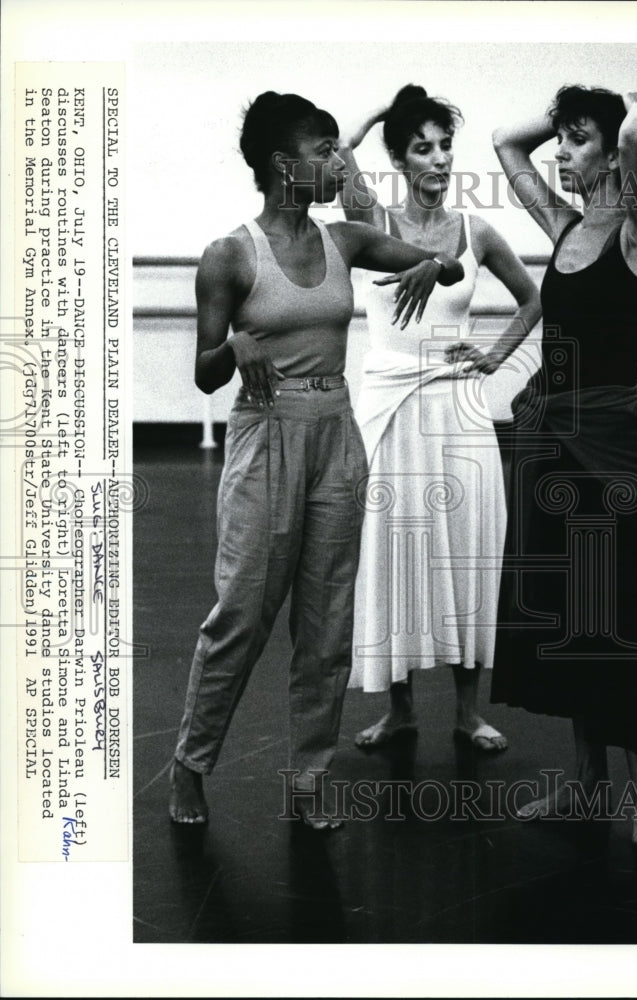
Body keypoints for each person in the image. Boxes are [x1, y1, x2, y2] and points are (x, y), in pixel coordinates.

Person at [169, 91, 465, 829]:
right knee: (240, 616)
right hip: (265, 437)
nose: (337, 162)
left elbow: (448, 264)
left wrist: (435, 267)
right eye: (323, 150)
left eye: (338, 148)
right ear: (282, 165)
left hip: (337, 434)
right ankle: (190, 764)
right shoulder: (229, 255)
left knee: (327, 625)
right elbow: (204, 372)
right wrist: (231, 348)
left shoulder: (348, 240)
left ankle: (308, 779)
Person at [490, 86, 637, 866]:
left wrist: (627, 111)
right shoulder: (562, 228)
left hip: (610, 446)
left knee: (630, 620)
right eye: (562, 140)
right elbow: (503, 143)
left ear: (614, 154)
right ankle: (584, 782)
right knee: (573, 620)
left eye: (575, 142)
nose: (560, 153)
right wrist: (570, 102)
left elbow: (633, 149)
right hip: (549, 440)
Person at [339, 85, 541, 751]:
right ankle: (398, 710)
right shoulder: (374, 225)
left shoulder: (475, 231)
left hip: (457, 406)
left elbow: (536, 299)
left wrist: (492, 358)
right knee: (396, 549)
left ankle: (466, 711)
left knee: (465, 550)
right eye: (421, 148)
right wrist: (376, 117)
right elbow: (339, 159)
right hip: (392, 406)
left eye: (444, 145)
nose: (438, 159)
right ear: (399, 157)